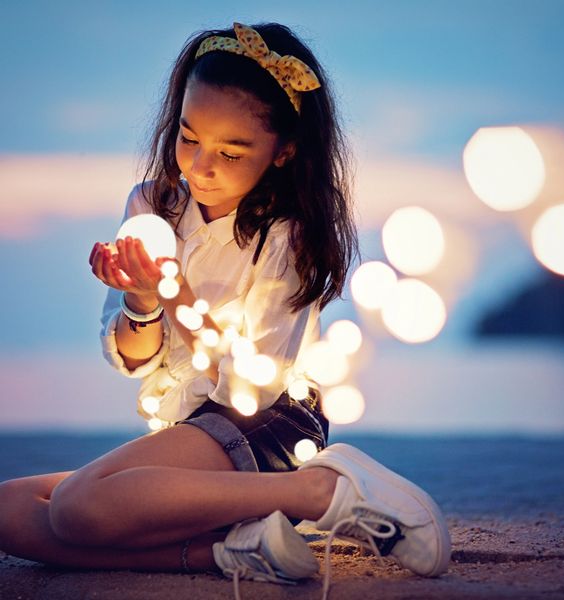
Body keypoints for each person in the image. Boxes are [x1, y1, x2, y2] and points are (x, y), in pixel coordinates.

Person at [0, 22, 451, 597]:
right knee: (11, 508)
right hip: (191, 430)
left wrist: (170, 292)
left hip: (267, 430)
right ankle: (236, 551)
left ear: (284, 150)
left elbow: (247, 389)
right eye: (189, 138)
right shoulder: (153, 205)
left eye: (231, 151)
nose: (200, 166)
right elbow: (134, 363)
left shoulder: (286, 238)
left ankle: (319, 492)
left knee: (76, 508)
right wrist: (139, 300)